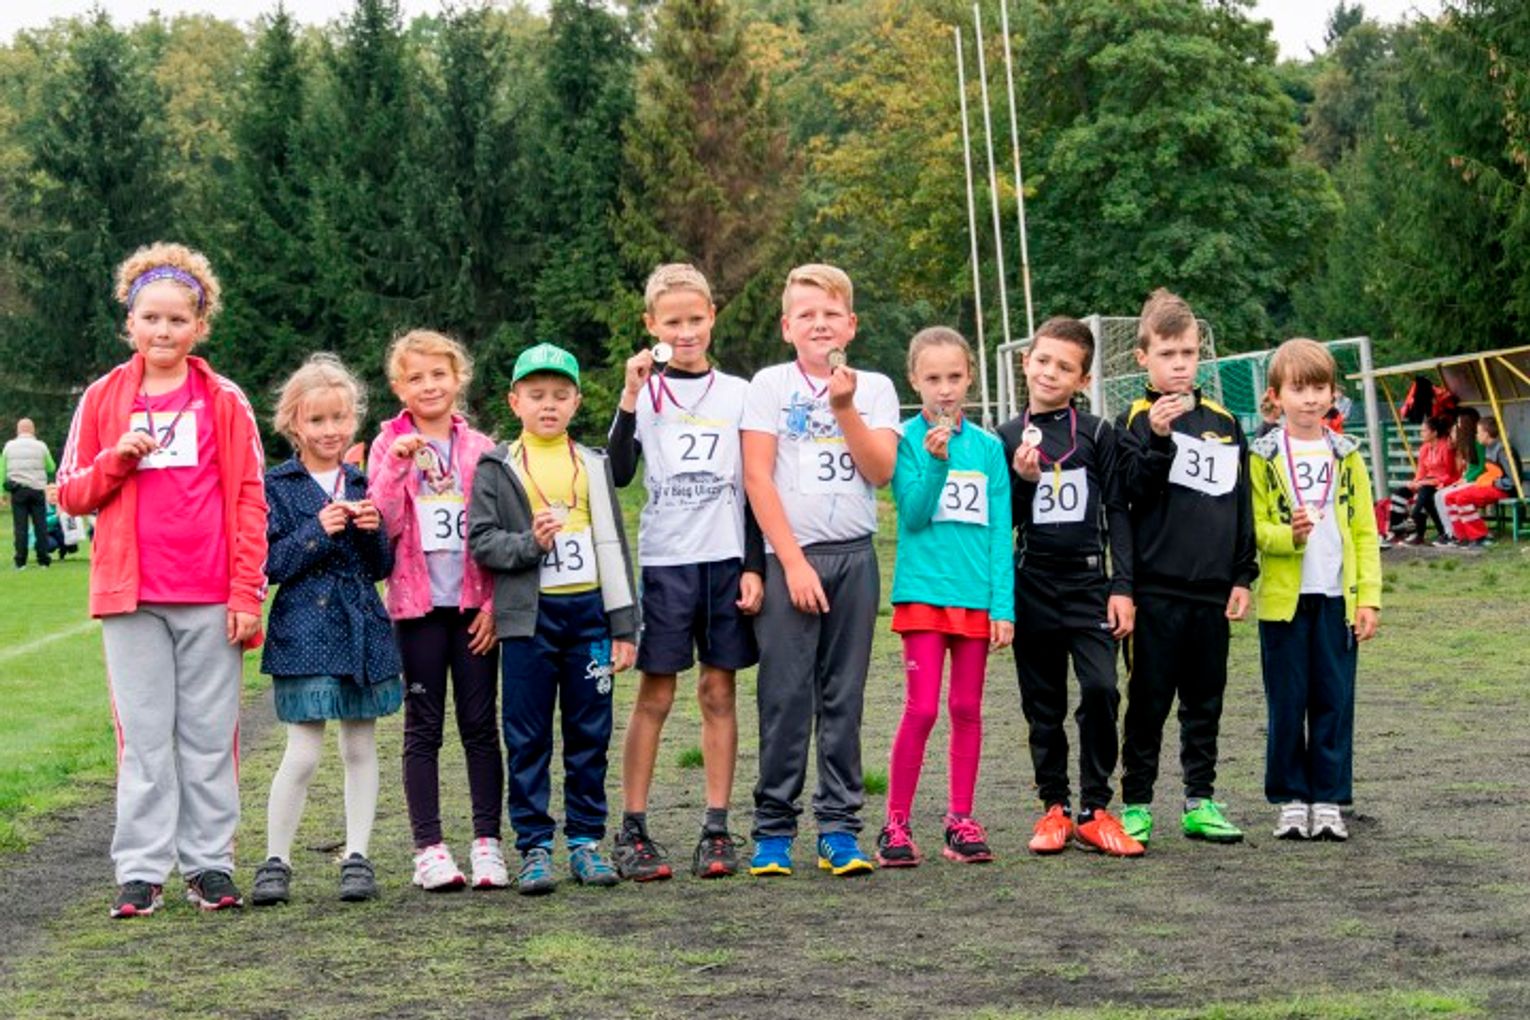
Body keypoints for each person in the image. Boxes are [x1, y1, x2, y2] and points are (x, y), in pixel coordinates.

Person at [56, 242, 267, 917]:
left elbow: (250, 498)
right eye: (151, 318)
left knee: (208, 737)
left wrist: (245, 591)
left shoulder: (224, 399)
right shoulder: (102, 398)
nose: (164, 331)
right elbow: (70, 494)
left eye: (178, 319)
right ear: (130, 323)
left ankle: (209, 864)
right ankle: (142, 870)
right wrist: (115, 460)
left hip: (209, 594)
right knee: (144, 740)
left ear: (200, 325)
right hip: (131, 597)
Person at [740, 263, 900, 878]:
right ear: (787, 327)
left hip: (854, 558)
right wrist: (791, 562)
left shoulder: (875, 388)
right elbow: (757, 478)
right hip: (791, 559)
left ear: (851, 325)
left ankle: (838, 827)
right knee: (784, 696)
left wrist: (844, 406)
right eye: (806, 314)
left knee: (843, 697)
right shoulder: (769, 385)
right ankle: (773, 829)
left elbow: (879, 470)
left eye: (831, 313)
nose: (819, 323)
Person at [607, 264, 764, 881]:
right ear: (652, 325)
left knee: (718, 692)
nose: (687, 331)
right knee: (657, 694)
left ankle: (717, 826)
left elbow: (754, 485)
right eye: (673, 322)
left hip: (724, 562)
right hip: (665, 563)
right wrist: (628, 396)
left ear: (712, 317)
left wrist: (753, 565)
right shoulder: (645, 394)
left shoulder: (739, 393)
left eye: (696, 318)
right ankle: (633, 826)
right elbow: (618, 473)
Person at [468, 342, 638, 895]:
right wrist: (530, 544)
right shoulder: (497, 466)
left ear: (576, 402)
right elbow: (482, 542)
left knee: (590, 732)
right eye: (537, 395)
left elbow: (614, 546)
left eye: (561, 395)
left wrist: (623, 625)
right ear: (514, 401)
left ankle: (586, 841)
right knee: (527, 735)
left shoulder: (593, 463)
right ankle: (535, 847)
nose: (549, 405)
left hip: (589, 617)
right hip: (528, 621)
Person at [252, 355, 403, 907]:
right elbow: (270, 565)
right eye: (316, 420)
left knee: (360, 746)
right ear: (294, 423)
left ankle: (357, 855)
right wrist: (317, 530)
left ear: (353, 419)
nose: (329, 429)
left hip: (362, 631)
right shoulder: (276, 486)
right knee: (303, 753)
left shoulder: (363, 482)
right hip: (304, 632)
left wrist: (372, 530)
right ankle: (276, 859)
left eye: (339, 418)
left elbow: (380, 566)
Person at [1115, 290, 1257, 847]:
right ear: (1143, 358)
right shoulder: (1132, 421)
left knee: (1206, 699)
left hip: (1211, 590)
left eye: (1189, 353)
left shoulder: (1224, 421)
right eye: (1168, 354)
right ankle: (1136, 803)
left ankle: (1200, 800)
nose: (1180, 364)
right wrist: (1157, 438)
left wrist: (1242, 574)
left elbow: (1238, 502)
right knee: (1148, 701)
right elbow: (1130, 495)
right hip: (1155, 591)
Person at [998, 316, 1141, 858]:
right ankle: (1054, 806)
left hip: (1088, 585)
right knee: (1043, 703)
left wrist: (1122, 586)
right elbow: (1004, 521)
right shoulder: (1005, 437)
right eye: (1042, 361)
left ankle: (1095, 809)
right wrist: (1022, 481)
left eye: (1064, 367)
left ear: (1083, 380)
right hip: (1032, 582)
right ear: (1025, 362)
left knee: (1102, 689)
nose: (1049, 373)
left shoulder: (1099, 434)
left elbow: (1118, 511)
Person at [368, 330, 505, 892]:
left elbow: (499, 529)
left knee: (480, 726)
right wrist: (398, 466)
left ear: (458, 379)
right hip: (417, 610)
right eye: (416, 377)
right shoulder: (386, 445)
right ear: (399, 387)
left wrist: (494, 603)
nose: (429, 386)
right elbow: (379, 525)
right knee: (423, 728)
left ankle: (488, 843)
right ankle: (429, 848)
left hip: (472, 609)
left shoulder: (481, 448)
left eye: (439, 375)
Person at [876, 327, 1013, 868]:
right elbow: (912, 515)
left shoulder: (989, 449)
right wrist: (935, 462)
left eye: (954, 376)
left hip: (975, 598)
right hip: (924, 595)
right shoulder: (905, 442)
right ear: (914, 380)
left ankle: (961, 820)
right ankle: (896, 823)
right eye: (933, 378)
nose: (945, 389)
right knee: (924, 708)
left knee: (966, 708)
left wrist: (1003, 606)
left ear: (970, 377)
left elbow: (999, 532)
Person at [1250, 339, 1381, 842]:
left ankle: (1328, 800)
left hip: (1336, 600)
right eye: (1298, 389)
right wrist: (1290, 536)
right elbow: (1255, 529)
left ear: (1333, 394)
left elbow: (1365, 532)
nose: (1309, 399)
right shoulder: (1262, 456)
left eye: (1319, 388)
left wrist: (1368, 598)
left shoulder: (1347, 455)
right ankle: (1291, 800)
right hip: (1283, 604)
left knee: (1333, 700)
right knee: (1287, 703)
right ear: (1275, 396)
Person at [1443, 418, 1521, 548]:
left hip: (1504, 490)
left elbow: (1513, 480)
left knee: (1463, 497)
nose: (1476, 435)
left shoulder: (1502, 450)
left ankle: (1479, 537)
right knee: (1450, 497)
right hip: (1491, 487)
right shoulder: (1488, 448)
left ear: (1486, 433)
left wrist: (1493, 483)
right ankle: (1463, 536)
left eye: (1478, 432)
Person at [1385, 415, 1458, 545]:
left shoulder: (1445, 447)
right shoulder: (1425, 448)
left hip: (1442, 483)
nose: (1421, 433)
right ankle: (1396, 531)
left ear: (1434, 433)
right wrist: (1415, 483)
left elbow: (1450, 474)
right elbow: (1421, 471)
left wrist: (1426, 482)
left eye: (1424, 430)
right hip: (1426, 482)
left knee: (1423, 493)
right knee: (1399, 492)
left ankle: (1416, 531)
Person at [3, 418, 56, 569]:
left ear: (18, 430)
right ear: (33, 430)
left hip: (18, 490)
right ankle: (43, 560)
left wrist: (2, 492)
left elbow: (2, 469)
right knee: (40, 527)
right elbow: (51, 467)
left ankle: (20, 562)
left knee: (20, 528)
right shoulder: (41, 446)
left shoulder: (9, 446)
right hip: (37, 489)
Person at [1432, 408, 1483, 545]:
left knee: (1446, 496)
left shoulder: (1477, 443)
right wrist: (1462, 479)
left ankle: (1456, 534)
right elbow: (1470, 468)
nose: (1458, 426)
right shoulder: (1467, 444)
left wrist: (1466, 479)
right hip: (1468, 480)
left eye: (1459, 423)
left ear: (1467, 424)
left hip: (1476, 481)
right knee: (1438, 495)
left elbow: (1481, 467)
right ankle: (1449, 531)